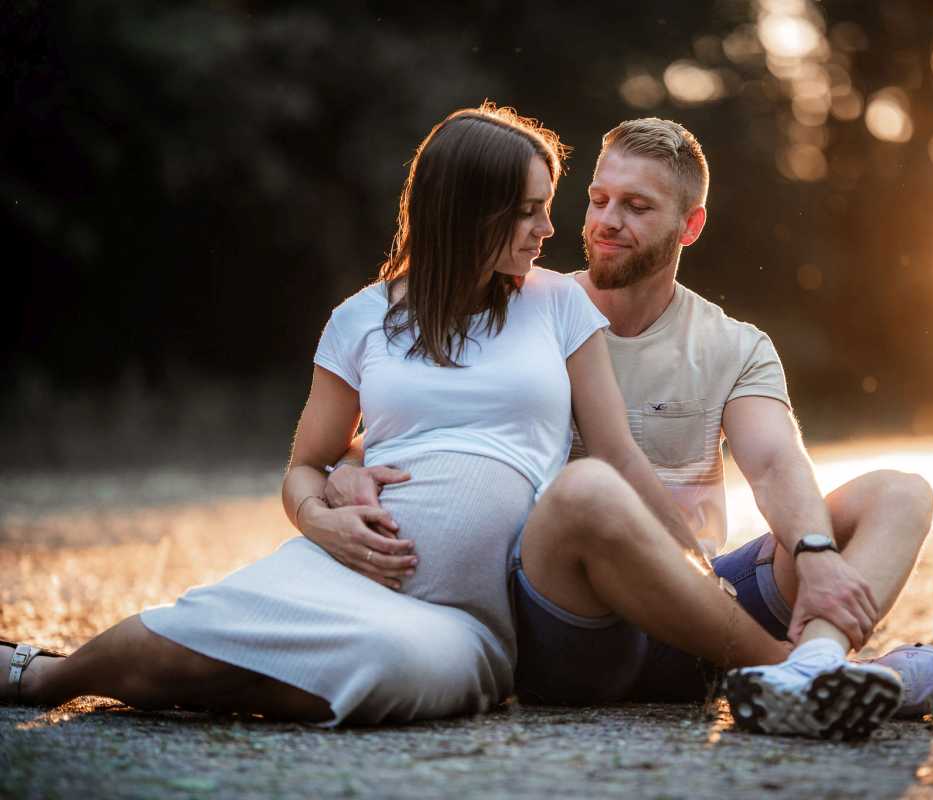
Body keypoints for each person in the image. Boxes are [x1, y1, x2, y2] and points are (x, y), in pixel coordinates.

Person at [1, 104, 702, 725]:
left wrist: (696, 565)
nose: (549, 227)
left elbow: (618, 457)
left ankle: (211, 681)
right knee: (197, 627)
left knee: (389, 666)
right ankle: (46, 676)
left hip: (463, 619)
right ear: (465, 210)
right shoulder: (362, 320)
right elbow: (306, 466)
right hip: (338, 570)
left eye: (546, 204)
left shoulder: (557, 304)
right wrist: (323, 518)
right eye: (526, 209)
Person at [327, 118, 933, 739]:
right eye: (598, 199)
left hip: (707, 602)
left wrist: (814, 555)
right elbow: (423, 426)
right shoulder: (525, 305)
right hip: (573, 614)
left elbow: (773, 462)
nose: (605, 221)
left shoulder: (735, 345)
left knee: (901, 492)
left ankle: (814, 667)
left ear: (691, 224)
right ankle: (827, 675)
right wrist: (348, 473)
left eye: (636, 207)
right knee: (587, 490)